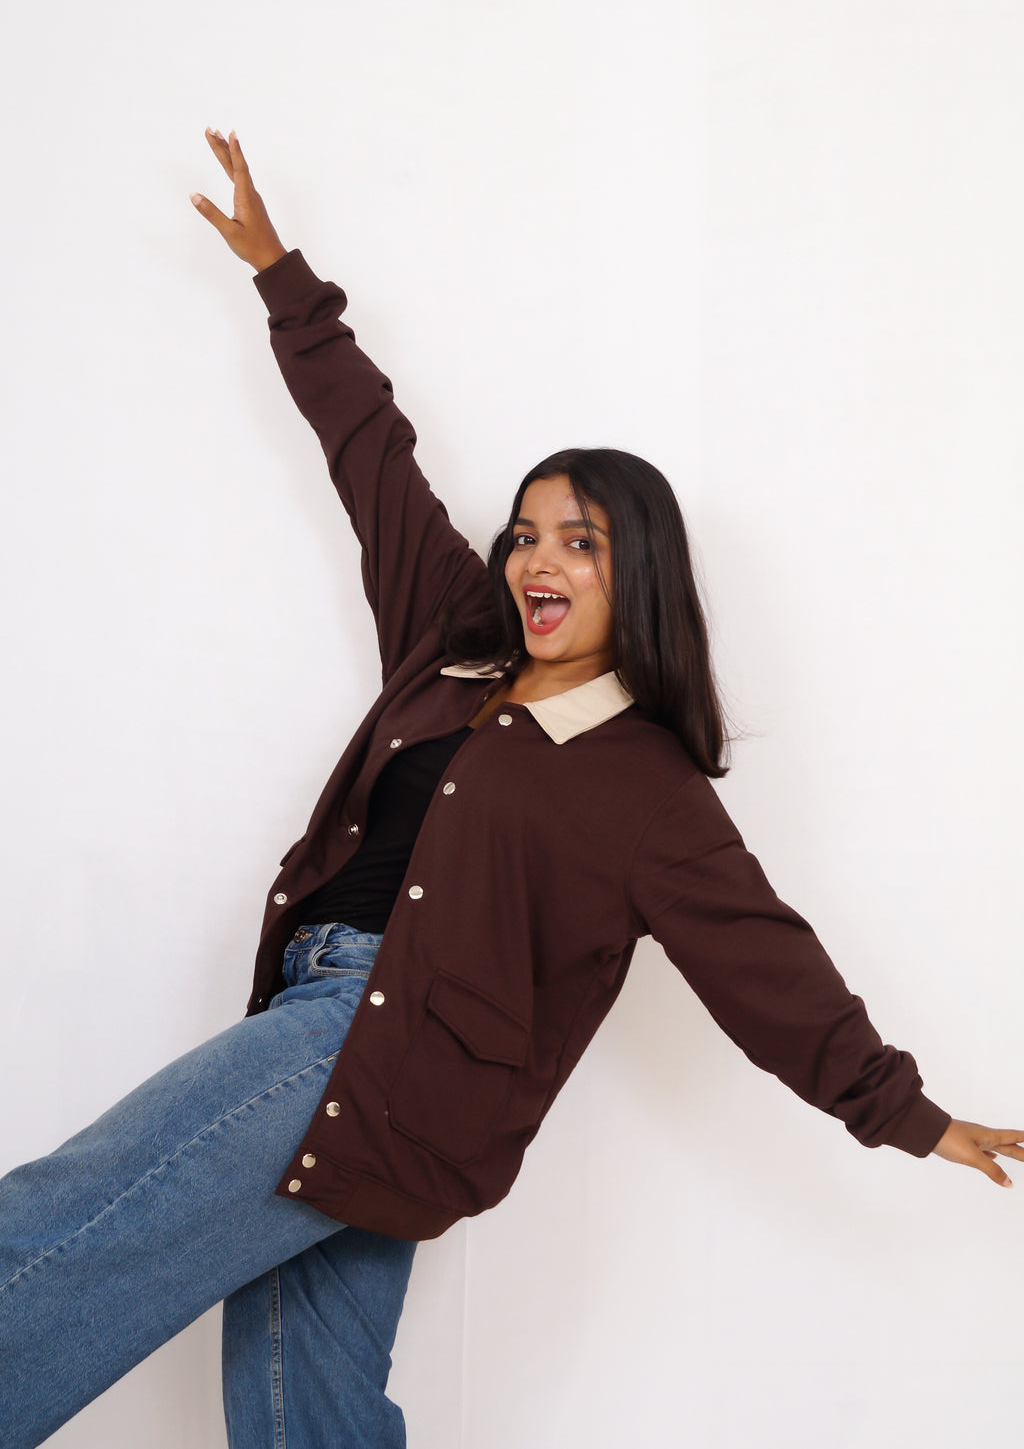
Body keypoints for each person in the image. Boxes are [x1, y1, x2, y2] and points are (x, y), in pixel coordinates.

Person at [1, 129, 1020, 1449]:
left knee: (66, 1230)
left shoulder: (644, 786)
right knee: (300, 1395)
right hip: (349, 1045)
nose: (540, 557)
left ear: (632, 572)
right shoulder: (456, 639)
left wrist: (908, 1114)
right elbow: (375, 461)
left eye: (579, 542)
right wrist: (286, 285)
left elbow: (767, 967)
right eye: (527, 531)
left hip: (367, 1047)